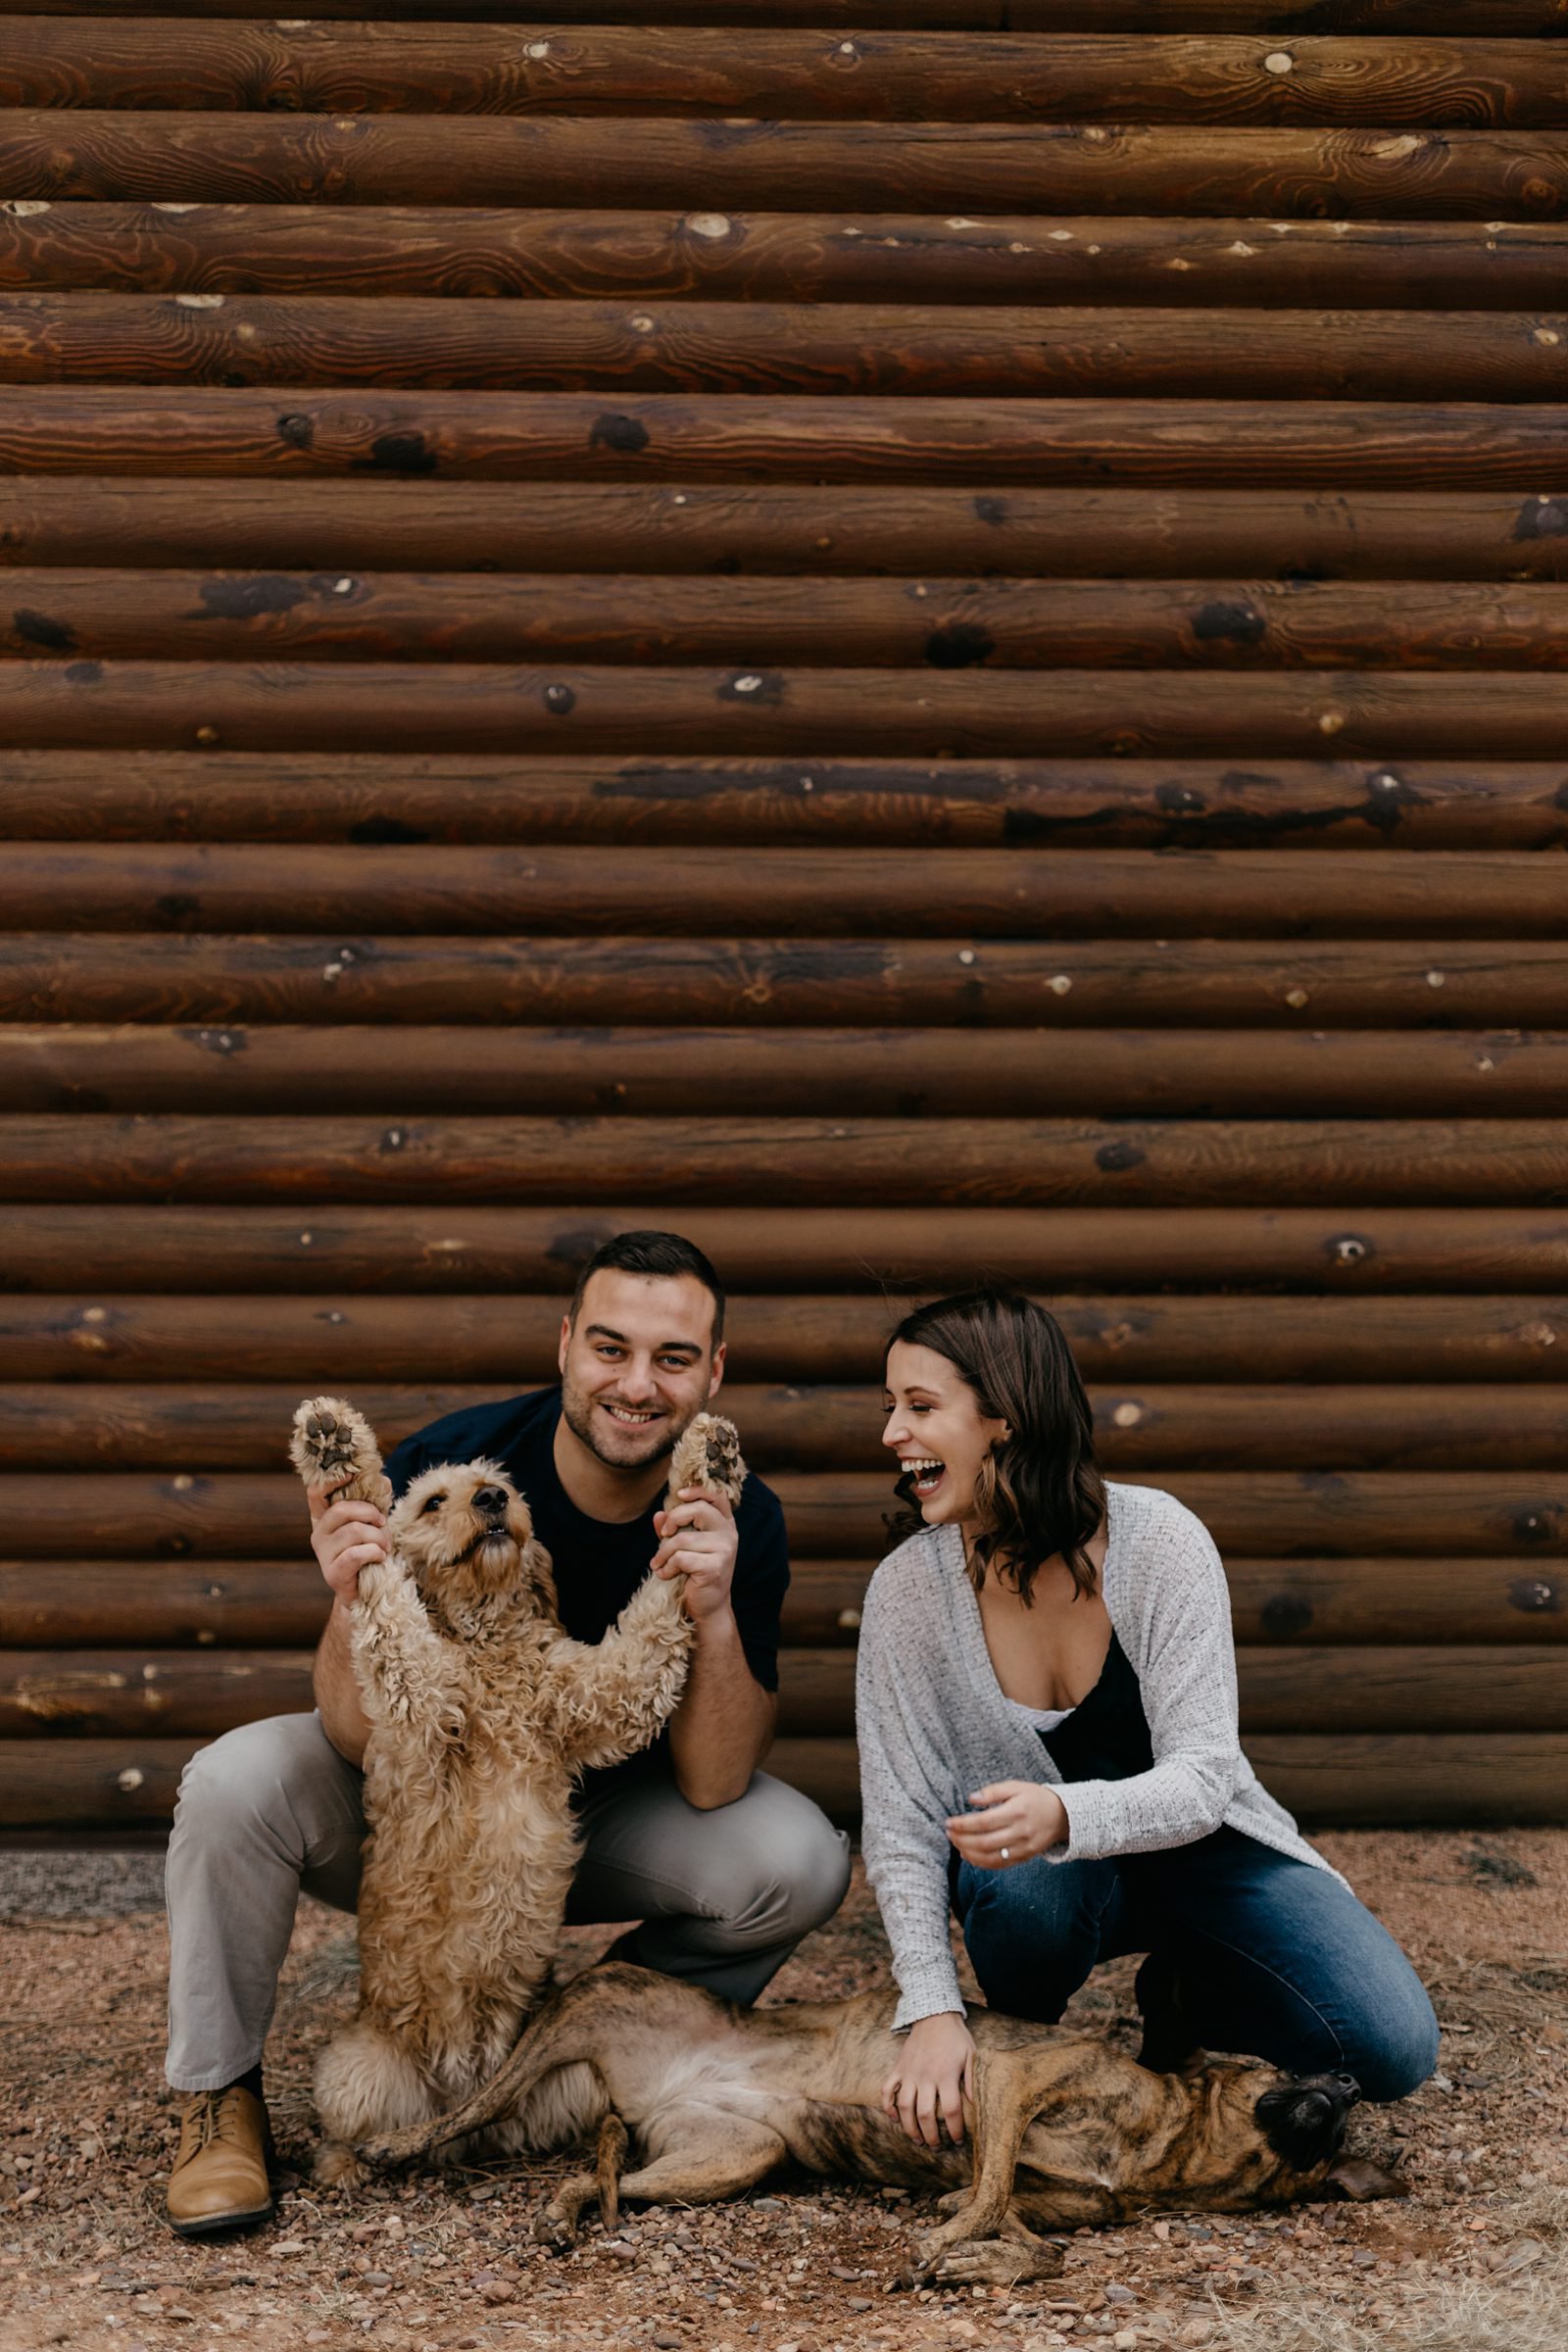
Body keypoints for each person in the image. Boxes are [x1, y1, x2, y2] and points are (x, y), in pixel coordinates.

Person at [162, 1230, 850, 2234]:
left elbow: (712, 1782)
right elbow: (357, 1733)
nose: (636, 1385)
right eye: (610, 1348)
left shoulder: (734, 1516)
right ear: (566, 1344)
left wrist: (706, 1606)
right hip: (412, 1805)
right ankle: (218, 2099)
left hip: (584, 1817)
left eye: (672, 1358)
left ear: (713, 1371)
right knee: (231, 1781)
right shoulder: (445, 1463)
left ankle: (578, 2038)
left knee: (797, 1858)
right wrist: (360, 1593)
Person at [857, 1289, 1439, 2154]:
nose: (891, 1434)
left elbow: (1205, 1780)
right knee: (1025, 1877)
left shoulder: (1160, 1540)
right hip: (1041, 1883)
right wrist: (933, 2010)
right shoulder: (906, 1590)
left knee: (1392, 2047)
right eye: (890, 1407)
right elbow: (900, 1820)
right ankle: (1025, 2040)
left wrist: (1068, 1812)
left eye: (920, 1407)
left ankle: (1186, 1996)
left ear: (1005, 1420)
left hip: (1204, 1853)